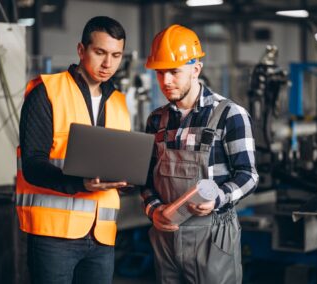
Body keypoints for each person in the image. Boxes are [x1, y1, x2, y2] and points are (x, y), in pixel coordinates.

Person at [141, 24, 259, 284]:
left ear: (196, 70)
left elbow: (248, 175)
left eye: (174, 72)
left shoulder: (229, 115)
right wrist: (154, 210)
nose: (166, 81)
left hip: (213, 238)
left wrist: (219, 197)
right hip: (166, 238)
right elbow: (146, 180)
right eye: (160, 73)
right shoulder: (156, 120)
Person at [17, 16, 130, 284]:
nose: (108, 64)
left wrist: (129, 180)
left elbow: (118, 161)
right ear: (81, 50)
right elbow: (33, 165)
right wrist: (80, 184)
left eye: (116, 55)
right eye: (100, 52)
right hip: (53, 236)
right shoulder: (46, 92)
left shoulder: (119, 102)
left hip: (102, 235)